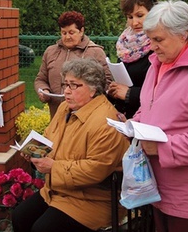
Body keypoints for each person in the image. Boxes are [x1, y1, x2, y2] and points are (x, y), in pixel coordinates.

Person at [12, 58, 129, 232]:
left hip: (92, 200)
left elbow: (95, 169)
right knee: (20, 216)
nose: (66, 91)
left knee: (43, 229)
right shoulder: (64, 108)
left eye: (74, 85)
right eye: (66, 84)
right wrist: (35, 152)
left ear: (93, 89)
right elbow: (48, 139)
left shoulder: (106, 121)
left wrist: (53, 167)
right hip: (57, 190)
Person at [131, 0, 188, 232]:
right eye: (150, 39)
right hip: (156, 189)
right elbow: (148, 107)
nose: (152, 47)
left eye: (159, 40)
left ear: (184, 35)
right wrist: (134, 123)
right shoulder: (156, 65)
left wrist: (162, 148)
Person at [35, 11, 112, 118]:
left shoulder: (95, 52)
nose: (67, 37)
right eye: (64, 33)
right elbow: (41, 79)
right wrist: (44, 90)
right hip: (56, 114)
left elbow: (107, 82)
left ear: (81, 31)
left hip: (85, 117)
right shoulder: (50, 52)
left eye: (71, 33)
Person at [108, 0, 158, 118]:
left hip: (147, 120)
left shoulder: (159, 47)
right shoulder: (124, 45)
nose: (134, 22)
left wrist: (130, 94)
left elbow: (163, 93)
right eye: (130, 17)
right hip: (122, 118)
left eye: (139, 15)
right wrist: (114, 91)